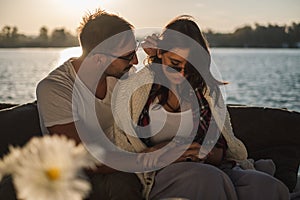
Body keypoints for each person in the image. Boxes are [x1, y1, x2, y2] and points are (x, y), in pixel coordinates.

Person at [112, 15, 290, 199]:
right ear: (161, 54)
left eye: (189, 67)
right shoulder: (142, 90)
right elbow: (125, 146)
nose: (181, 73)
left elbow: (221, 149)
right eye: (174, 64)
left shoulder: (205, 92)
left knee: (267, 186)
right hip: (160, 173)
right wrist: (159, 152)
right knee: (209, 179)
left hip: (210, 168)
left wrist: (204, 152)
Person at [36, 9, 143, 200]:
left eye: (136, 50)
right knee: (123, 185)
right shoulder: (54, 88)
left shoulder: (123, 77)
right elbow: (85, 158)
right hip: (73, 175)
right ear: (100, 58)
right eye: (128, 55)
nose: (135, 61)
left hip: (119, 164)